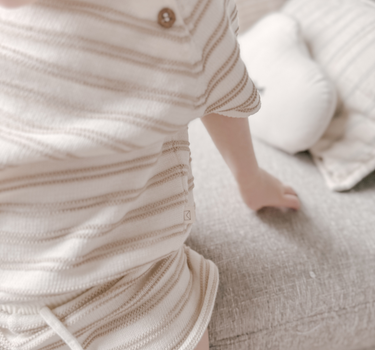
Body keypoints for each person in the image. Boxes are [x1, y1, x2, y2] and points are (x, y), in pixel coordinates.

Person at [0, 0, 300, 349]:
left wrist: (252, 180)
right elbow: (220, 86)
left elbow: (218, 82)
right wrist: (251, 180)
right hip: (113, 287)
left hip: (82, 273)